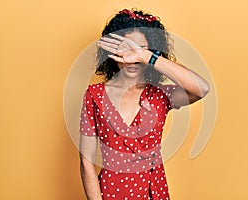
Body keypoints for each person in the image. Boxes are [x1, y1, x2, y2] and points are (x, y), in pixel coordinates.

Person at [79, 8, 209, 200]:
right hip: (111, 192)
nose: (131, 57)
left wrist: (147, 56)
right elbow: (86, 161)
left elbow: (202, 88)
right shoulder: (95, 95)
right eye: (126, 48)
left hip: (153, 192)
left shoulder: (160, 95)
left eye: (140, 49)